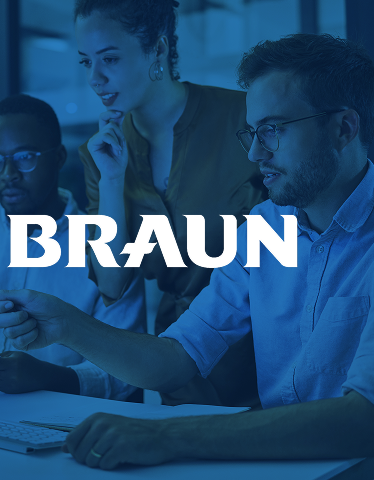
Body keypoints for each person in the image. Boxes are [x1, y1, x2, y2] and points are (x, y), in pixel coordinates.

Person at [0, 35, 374, 478]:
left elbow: (367, 421)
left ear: (343, 128)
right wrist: (66, 325)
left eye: (273, 130)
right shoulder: (265, 227)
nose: (256, 153)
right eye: (253, 132)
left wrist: (167, 436)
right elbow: (177, 357)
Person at [74, 0, 266, 407]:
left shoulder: (244, 118)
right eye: (86, 62)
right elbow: (111, 283)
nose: (95, 77)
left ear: (157, 50)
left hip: (263, 355)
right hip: (176, 364)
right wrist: (112, 180)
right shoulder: (100, 154)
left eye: (109, 59)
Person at [0, 94, 145, 401]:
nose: (8, 174)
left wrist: (50, 378)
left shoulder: (109, 249)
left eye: (25, 157)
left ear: (59, 158)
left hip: (61, 420)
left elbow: (129, 373)